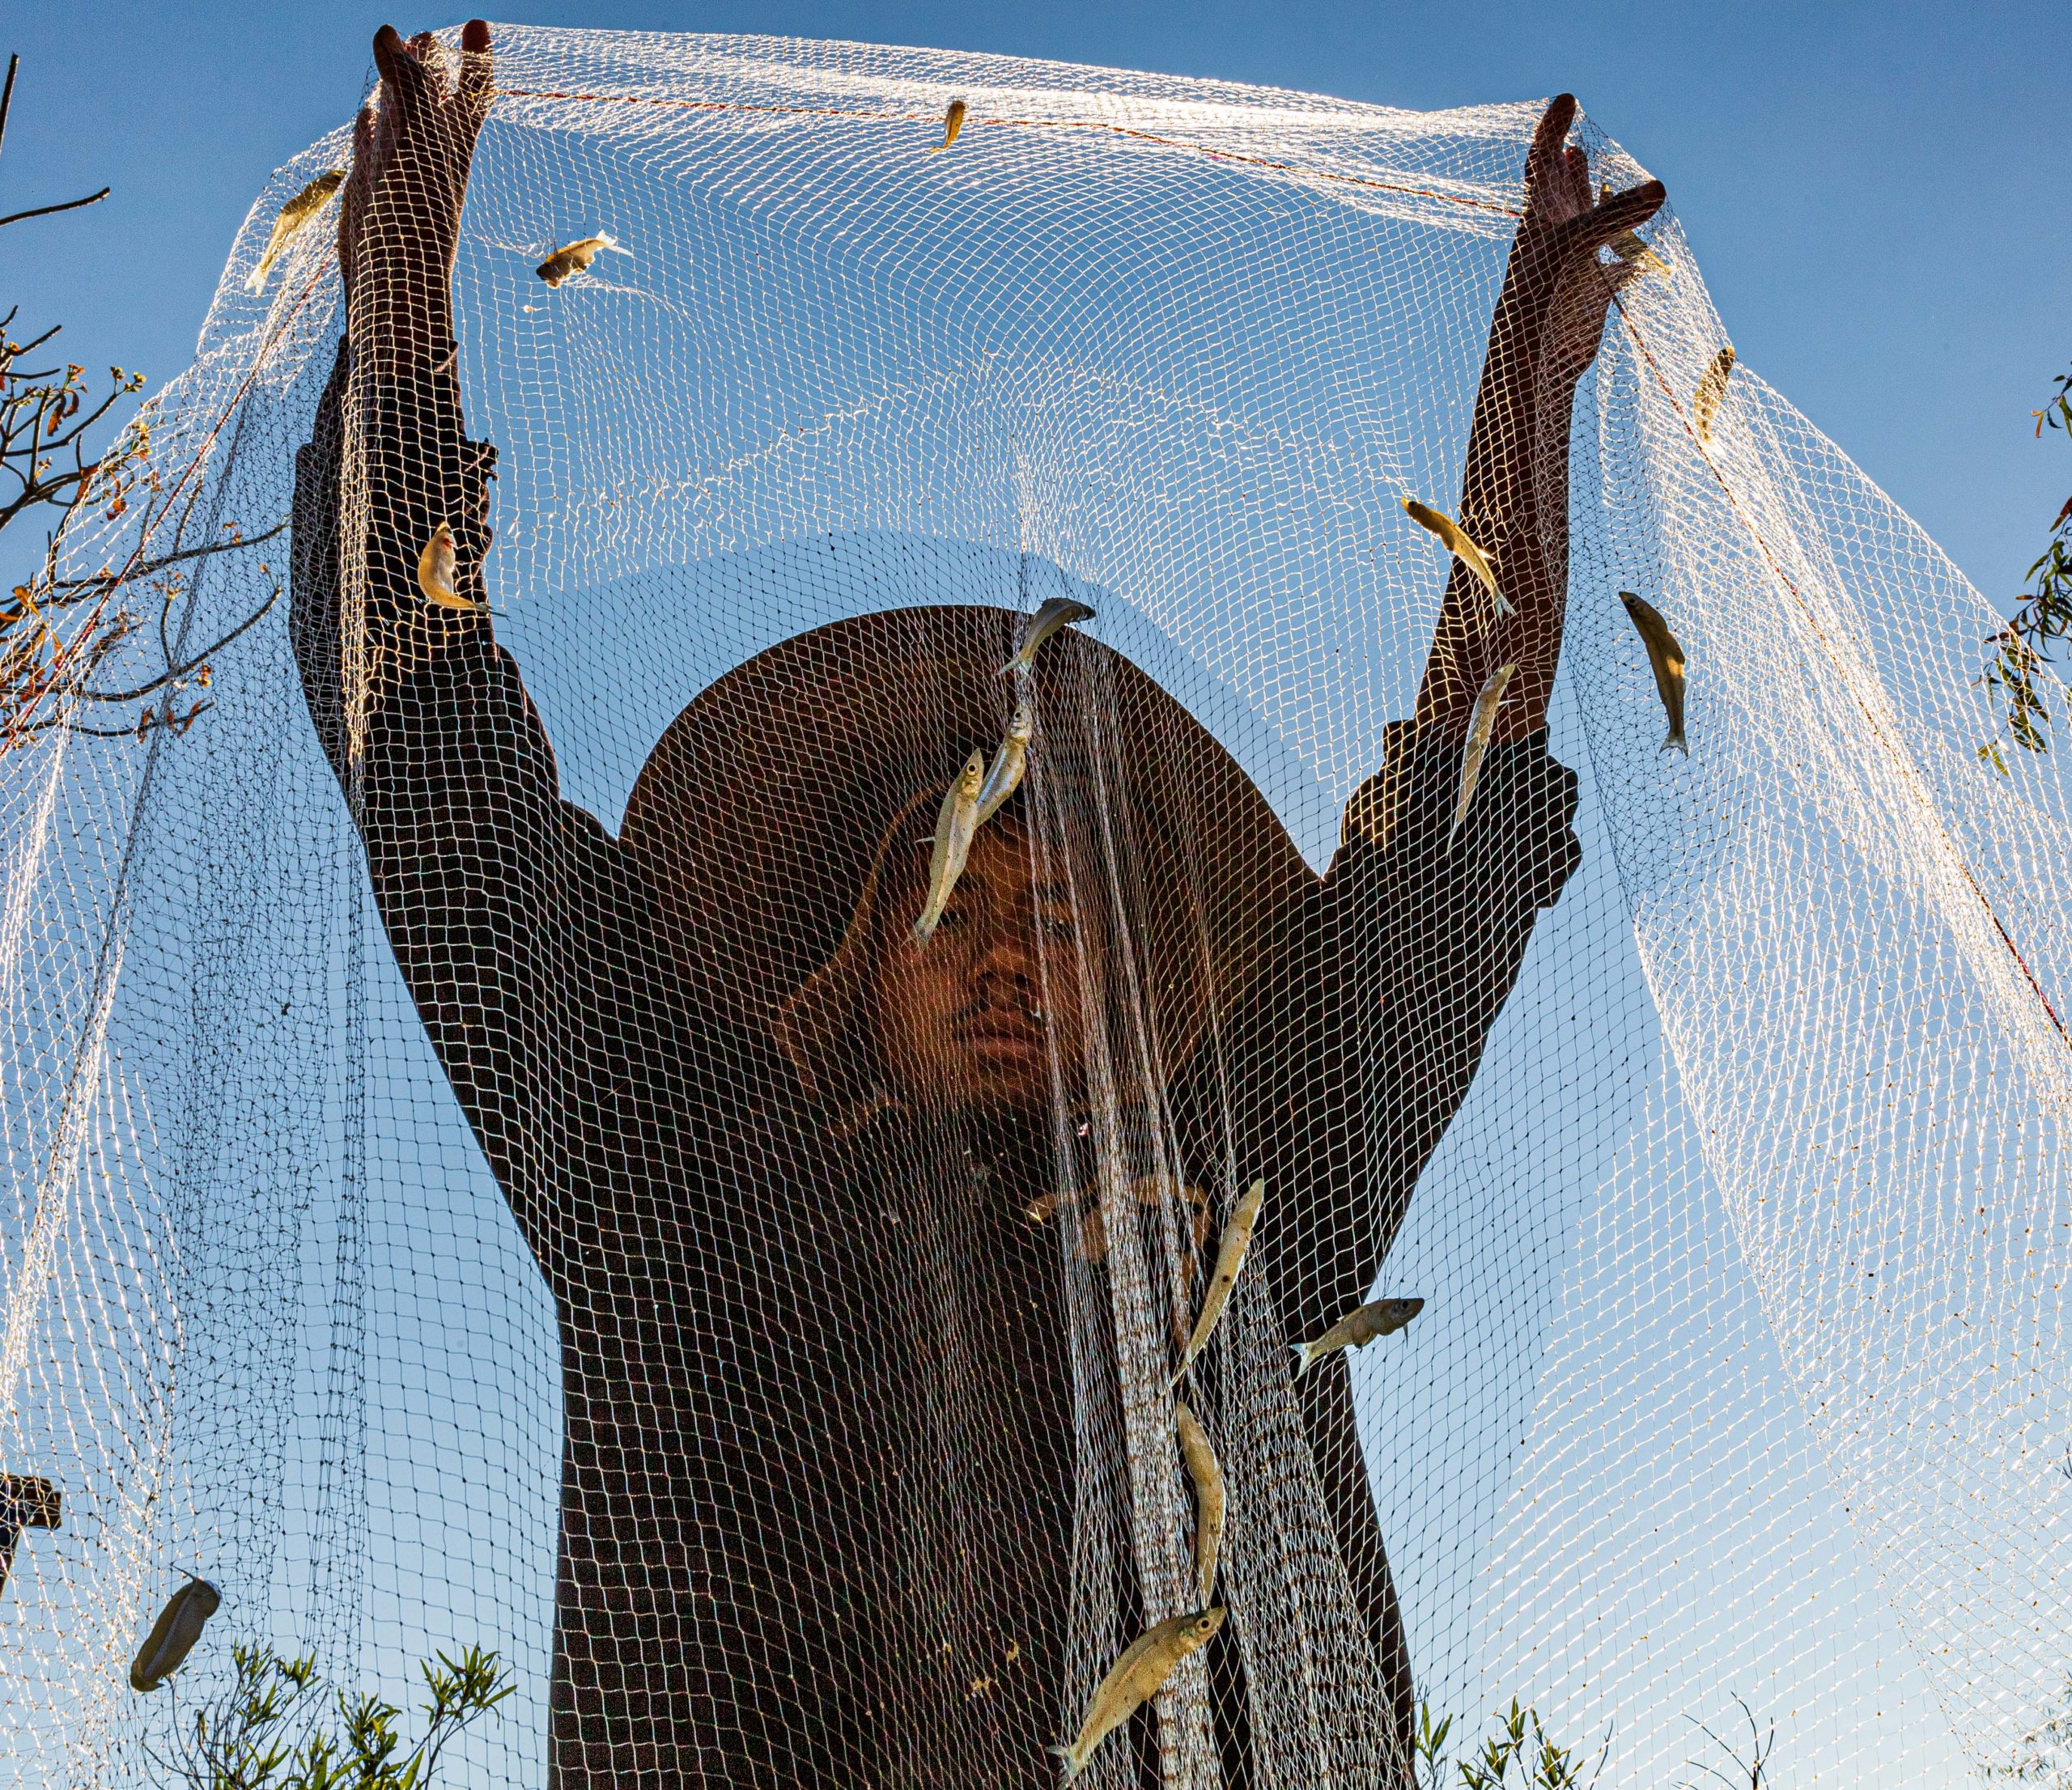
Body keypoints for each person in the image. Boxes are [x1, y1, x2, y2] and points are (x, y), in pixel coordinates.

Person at [289, 22, 1663, 1788]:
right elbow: (427, 752)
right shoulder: (676, 1173)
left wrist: (1525, 379)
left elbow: (1456, 800)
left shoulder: (1247, 1204)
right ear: (847, 949)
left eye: (1074, 923)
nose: (1016, 950)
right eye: (954, 898)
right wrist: (399, 307)